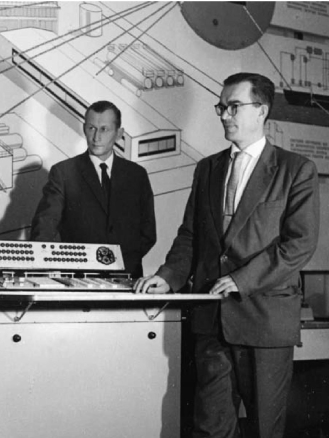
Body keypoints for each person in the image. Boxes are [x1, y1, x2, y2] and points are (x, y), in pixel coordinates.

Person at [135, 73, 320, 438]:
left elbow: (299, 243)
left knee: (264, 430)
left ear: (261, 111)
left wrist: (241, 280)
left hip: (264, 322)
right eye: (221, 107)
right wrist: (168, 276)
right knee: (210, 428)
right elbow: (191, 235)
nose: (224, 115)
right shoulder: (207, 168)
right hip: (212, 321)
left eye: (234, 106)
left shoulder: (295, 169)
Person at [30, 100, 156, 277]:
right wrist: (50, 266)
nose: (96, 137)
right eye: (91, 128)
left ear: (119, 134)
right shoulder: (63, 173)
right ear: (84, 129)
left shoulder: (137, 175)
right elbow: (44, 227)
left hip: (127, 277)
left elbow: (148, 233)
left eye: (104, 129)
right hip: (77, 279)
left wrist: (119, 263)